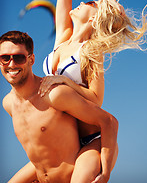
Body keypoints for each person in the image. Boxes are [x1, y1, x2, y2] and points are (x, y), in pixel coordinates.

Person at [40, 0, 147, 182]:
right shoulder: (63, 38)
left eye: (90, 4)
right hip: (66, 141)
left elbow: (96, 100)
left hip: (93, 141)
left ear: (95, 18)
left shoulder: (91, 51)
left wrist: (66, 82)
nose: (83, 2)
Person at [0, 30, 118, 183]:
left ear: (31, 59)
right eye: (4, 58)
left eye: (19, 58)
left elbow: (109, 121)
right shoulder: (8, 103)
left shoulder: (54, 94)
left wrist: (106, 173)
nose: (12, 64)